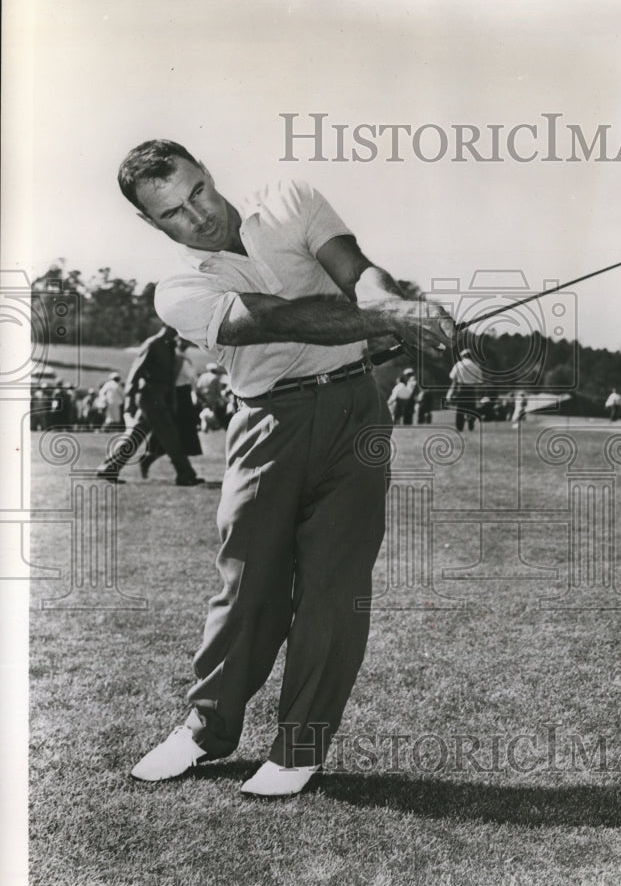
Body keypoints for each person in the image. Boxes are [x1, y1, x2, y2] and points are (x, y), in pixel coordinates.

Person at [119, 139, 453, 796]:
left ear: (210, 172)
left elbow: (358, 270)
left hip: (358, 410)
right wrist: (383, 316)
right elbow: (273, 319)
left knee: (335, 587)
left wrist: (392, 302)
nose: (199, 216)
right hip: (266, 422)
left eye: (199, 192)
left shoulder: (291, 200)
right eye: (173, 214)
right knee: (247, 589)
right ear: (151, 225)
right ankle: (206, 731)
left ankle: (299, 748)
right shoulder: (179, 290)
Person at [95, 324, 204, 486]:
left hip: (159, 396)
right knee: (170, 435)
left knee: (137, 435)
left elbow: (169, 378)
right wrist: (130, 399)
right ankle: (185, 474)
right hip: (150, 395)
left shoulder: (169, 345)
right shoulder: (153, 344)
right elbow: (136, 371)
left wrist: (171, 399)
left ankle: (109, 467)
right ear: (167, 327)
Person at [140, 337, 203, 478]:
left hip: (185, 397)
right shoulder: (175, 357)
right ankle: (152, 460)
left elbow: (191, 380)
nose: (186, 343)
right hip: (177, 396)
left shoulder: (186, 358)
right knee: (170, 433)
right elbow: (172, 379)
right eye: (183, 341)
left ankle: (182, 471)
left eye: (188, 341)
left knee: (182, 435)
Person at [447, 347, 483, 432]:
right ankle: (471, 425)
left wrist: (451, 392)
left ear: (463, 356)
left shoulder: (458, 365)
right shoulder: (476, 366)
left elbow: (452, 377)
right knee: (471, 408)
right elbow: (479, 381)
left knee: (460, 409)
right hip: (471, 389)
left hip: (461, 388)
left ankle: (459, 427)